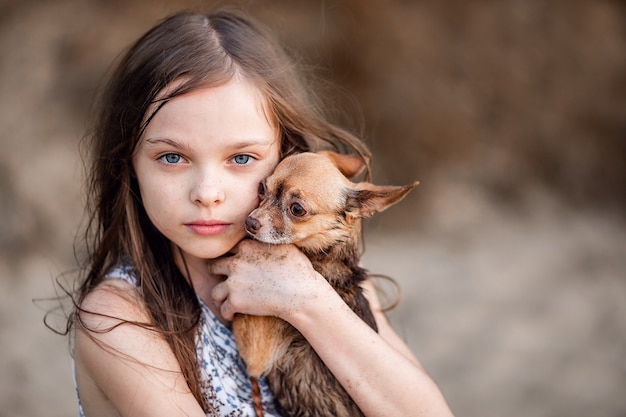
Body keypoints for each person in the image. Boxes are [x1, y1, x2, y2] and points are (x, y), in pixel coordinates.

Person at [67, 8, 455, 417]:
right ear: (127, 161)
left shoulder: (322, 278)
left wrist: (306, 302)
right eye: (171, 156)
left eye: (241, 158)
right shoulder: (117, 320)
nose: (207, 193)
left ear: (284, 156)